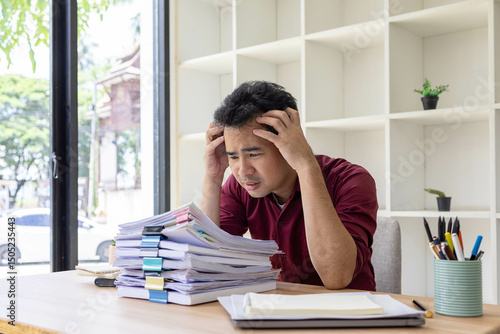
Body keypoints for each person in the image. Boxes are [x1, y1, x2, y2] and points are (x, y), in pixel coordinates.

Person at [200, 81, 378, 290]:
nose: (243, 170)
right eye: (233, 157)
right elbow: (206, 265)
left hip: (349, 315)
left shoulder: (350, 180)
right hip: (274, 312)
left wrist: (305, 165)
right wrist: (213, 177)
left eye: (254, 154)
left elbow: (336, 276)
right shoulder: (241, 186)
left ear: (287, 141)